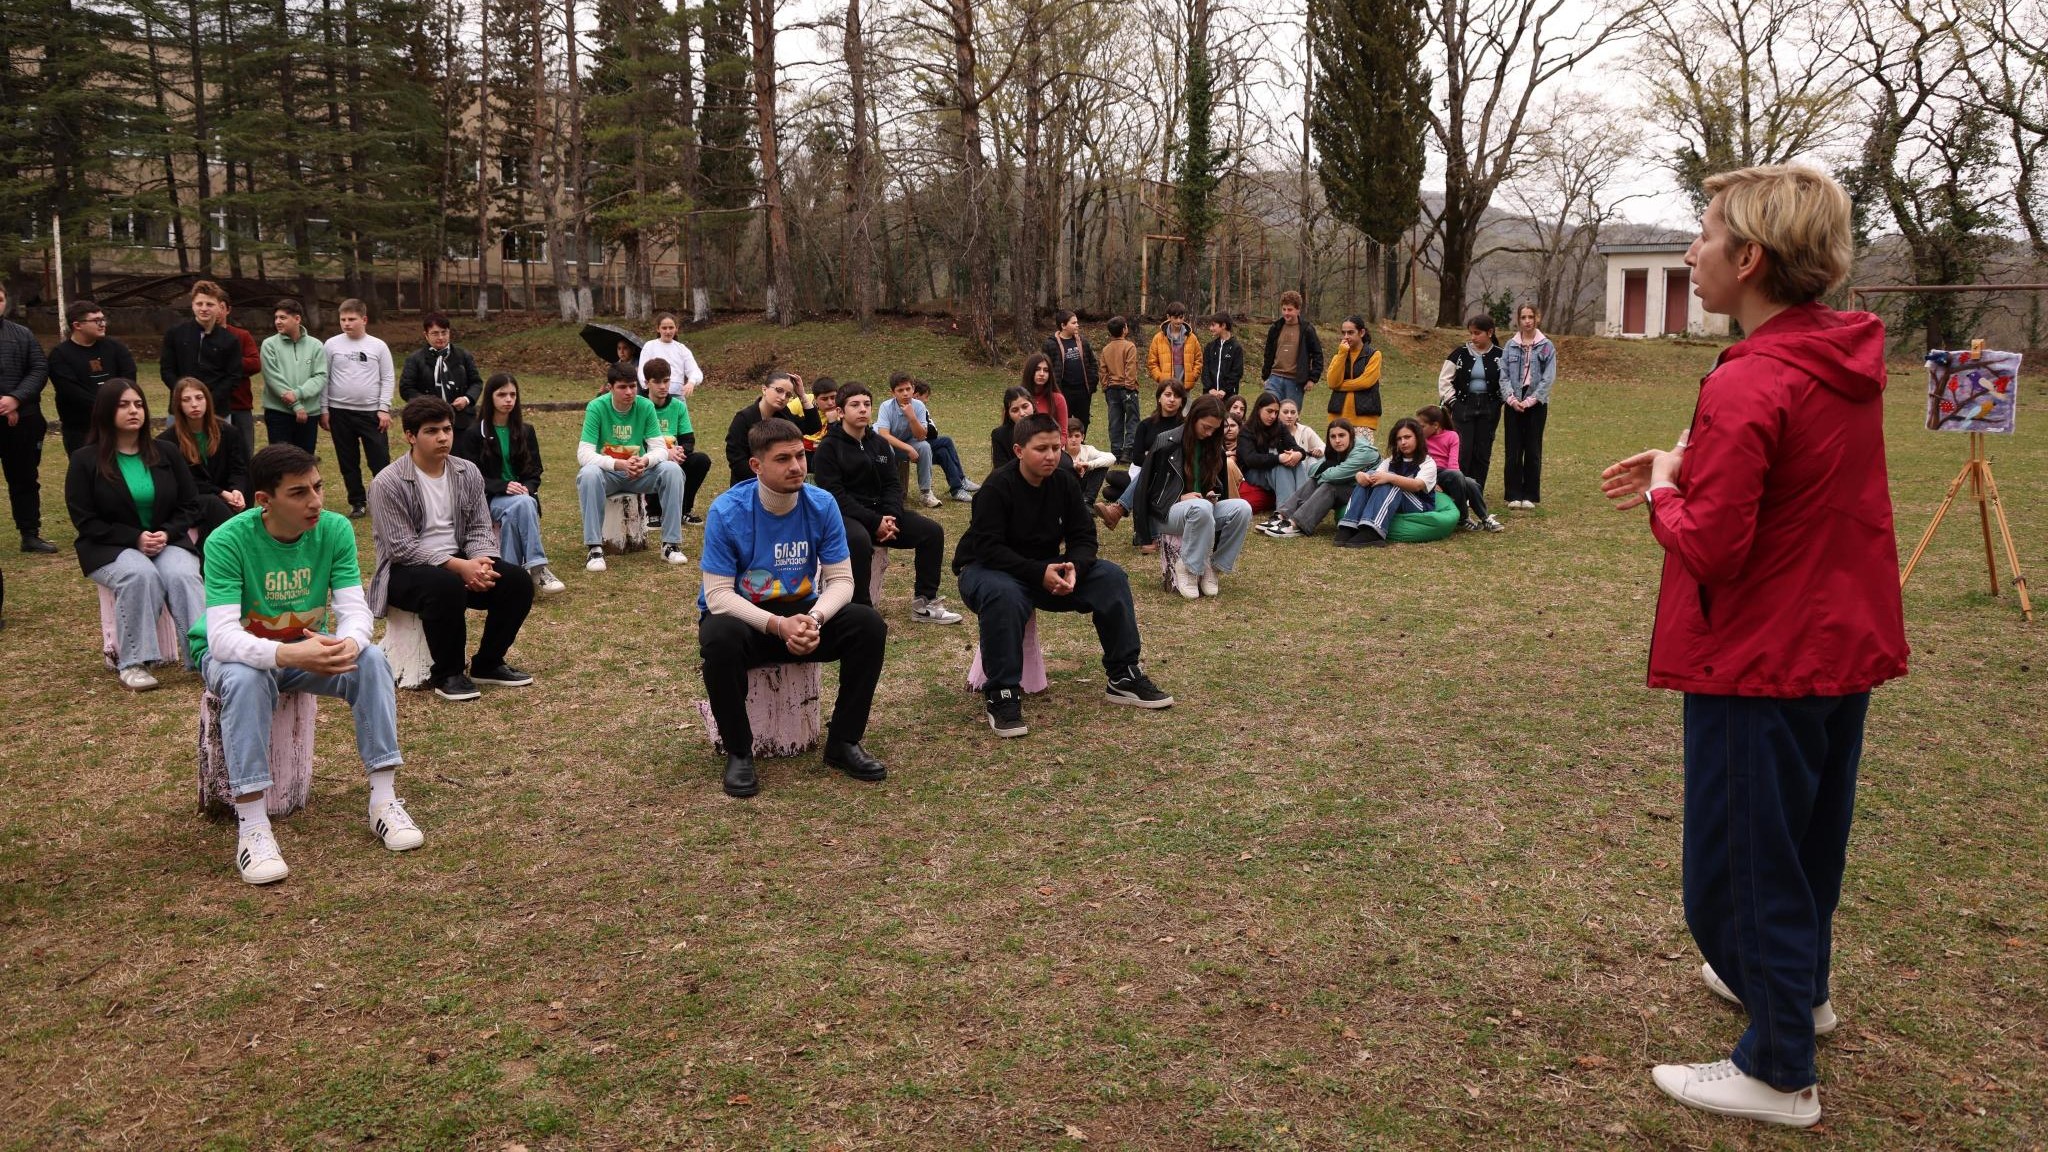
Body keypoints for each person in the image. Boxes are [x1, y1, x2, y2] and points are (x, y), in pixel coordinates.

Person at [1600, 164, 1908, 1129]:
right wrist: (1697, 458)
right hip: (1833, 644)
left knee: (1739, 868)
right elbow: (1802, 477)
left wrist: (1664, 488)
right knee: (1807, 844)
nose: (1690, 252)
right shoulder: (1841, 358)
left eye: (1702, 235)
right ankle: (1797, 995)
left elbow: (1713, 547)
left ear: (1751, 257)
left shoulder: (1754, 376)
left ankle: (1779, 1071)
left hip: (1760, 656)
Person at [194, 443, 420, 886]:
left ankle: (384, 800)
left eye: (317, 487)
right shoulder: (227, 540)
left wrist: (350, 644)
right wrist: (286, 653)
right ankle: (253, 827)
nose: (315, 501)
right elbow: (222, 637)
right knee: (244, 678)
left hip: (304, 648)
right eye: (298, 493)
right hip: (238, 656)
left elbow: (355, 610)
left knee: (371, 659)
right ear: (265, 500)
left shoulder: (334, 529)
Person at [699, 417, 890, 798]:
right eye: (783, 459)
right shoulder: (727, 511)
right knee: (719, 637)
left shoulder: (822, 503)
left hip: (802, 615)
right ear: (757, 466)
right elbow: (719, 595)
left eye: (800, 456)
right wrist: (777, 626)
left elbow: (842, 582)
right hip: (746, 619)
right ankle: (739, 752)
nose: (797, 467)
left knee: (868, 625)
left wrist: (814, 620)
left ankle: (843, 742)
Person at [955, 411, 1173, 737]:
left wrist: (1074, 567)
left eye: (1056, 448)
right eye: (1041, 448)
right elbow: (989, 549)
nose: (1051, 455)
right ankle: (1001, 694)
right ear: (1018, 451)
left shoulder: (1064, 481)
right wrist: (1037, 572)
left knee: (1110, 578)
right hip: (987, 570)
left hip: (1046, 568)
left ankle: (1123, 675)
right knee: (1006, 594)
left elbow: (1083, 537)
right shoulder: (996, 487)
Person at [369, 397, 536, 702]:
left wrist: (481, 561)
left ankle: (488, 662)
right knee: (446, 585)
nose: (443, 437)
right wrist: (459, 568)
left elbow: (478, 527)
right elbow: (401, 548)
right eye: (431, 431)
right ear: (410, 436)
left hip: (460, 561)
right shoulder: (388, 482)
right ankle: (448, 673)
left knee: (517, 581)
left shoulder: (466, 471)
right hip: (403, 572)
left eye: (447, 429)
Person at [66, 379, 206, 689]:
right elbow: (85, 519)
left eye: (139, 404)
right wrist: (135, 539)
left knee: (183, 575)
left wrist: (165, 534)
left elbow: (191, 505)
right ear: (105, 411)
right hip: (108, 545)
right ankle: (133, 663)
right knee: (140, 574)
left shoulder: (166, 452)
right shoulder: (84, 460)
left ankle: (203, 656)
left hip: (165, 539)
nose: (134, 411)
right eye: (124, 405)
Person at [813, 383, 963, 623]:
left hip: (884, 516)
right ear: (840, 412)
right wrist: (874, 522)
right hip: (848, 518)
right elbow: (835, 497)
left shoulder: (880, 444)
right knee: (859, 541)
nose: (862, 410)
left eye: (866, 404)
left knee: (931, 532)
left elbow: (893, 485)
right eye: (855, 405)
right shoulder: (828, 449)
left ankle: (924, 603)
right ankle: (861, 610)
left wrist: (891, 516)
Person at [1133, 392, 1253, 599]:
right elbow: (1145, 489)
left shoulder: (1215, 446)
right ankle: (1188, 567)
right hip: (1166, 514)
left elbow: (1219, 488)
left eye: (1214, 429)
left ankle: (1213, 567)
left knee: (1243, 508)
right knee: (1201, 508)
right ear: (1193, 418)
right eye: (1206, 427)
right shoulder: (1165, 441)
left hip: (1201, 511)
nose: (1209, 433)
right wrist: (1178, 498)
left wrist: (1211, 492)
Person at [455, 372, 564, 595]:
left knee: (521, 505)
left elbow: (535, 471)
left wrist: (527, 489)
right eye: (502, 394)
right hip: (489, 500)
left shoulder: (525, 430)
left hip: (521, 498)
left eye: (513, 394)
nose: (508, 400)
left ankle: (513, 576)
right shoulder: (474, 434)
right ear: (490, 398)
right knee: (523, 505)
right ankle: (538, 568)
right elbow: (470, 478)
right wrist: (502, 486)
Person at [577, 361, 690, 572]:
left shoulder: (645, 406)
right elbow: (584, 454)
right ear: (610, 387)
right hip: (609, 474)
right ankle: (594, 548)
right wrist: (617, 464)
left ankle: (670, 545)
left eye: (632, 386)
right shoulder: (597, 407)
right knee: (588, 474)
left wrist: (644, 461)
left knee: (672, 470)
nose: (629, 392)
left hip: (639, 473)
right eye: (622, 387)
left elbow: (659, 448)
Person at [321, 298, 395, 519]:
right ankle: (357, 501)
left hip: (371, 412)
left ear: (364, 319)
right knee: (348, 460)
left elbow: (388, 377)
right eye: (343, 319)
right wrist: (324, 408)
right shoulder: (331, 345)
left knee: (379, 459)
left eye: (351, 319)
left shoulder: (378, 346)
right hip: (339, 412)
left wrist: (384, 408)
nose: (346, 323)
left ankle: (384, 500)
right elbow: (324, 378)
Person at [159, 377, 250, 541]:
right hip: (193, 501)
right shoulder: (167, 441)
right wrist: (221, 493)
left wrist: (236, 490)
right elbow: (185, 482)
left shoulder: (228, 432)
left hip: (228, 496)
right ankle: (242, 542)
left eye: (199, 398)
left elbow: (239, 468)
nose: (194, 404)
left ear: (207, 400)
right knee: (211, 503)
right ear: (178, 405)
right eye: (186, 400)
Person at [0, 283, 55, 553]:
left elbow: (38, 368)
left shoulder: (22, 334)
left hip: (23, 420)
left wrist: (15, 399)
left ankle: (30, 533)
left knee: (24, 478)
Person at [1256, 419, 1379, 538]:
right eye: (1333, 436)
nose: (1337, 440)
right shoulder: (1337, 449)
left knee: (1329, 486)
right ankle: (1281, 516)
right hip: (1349, 486)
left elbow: (1333, 475)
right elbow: (1312, 470)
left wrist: (1324, 472)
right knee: (1316, 481)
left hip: (1365, 492)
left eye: (1342, 435)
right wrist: (1325, 470)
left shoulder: (1363, 452)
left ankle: (1297, 524)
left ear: (1351, 435)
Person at [47, 299, 138, 456]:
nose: (102, 324)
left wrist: (118, 405)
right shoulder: (60, 355)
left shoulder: (115, 348)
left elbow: (129, 377)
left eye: (103, 319)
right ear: (77, 325)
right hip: (81, 428)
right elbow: (70, 391)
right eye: (96, 320)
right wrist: (106, 406)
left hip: (117, 424)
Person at [1333, 417, 1436, 548]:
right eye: (1399, 439)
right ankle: (1349, 525)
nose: (1403, 442)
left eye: (1407, 437)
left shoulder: (1427, 462)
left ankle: (1373, 532)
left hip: (1419, 504)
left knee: (1390, 478)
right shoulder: (1391, 461)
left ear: (1418, 438)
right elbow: (1375, 477)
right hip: (1394, 499)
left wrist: (1390, 478)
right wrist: (1360, 475)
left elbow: (1417, 486)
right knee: (1371, 476)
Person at [875, 372, 975, 506]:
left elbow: (921, 436)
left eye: (908, 389)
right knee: (888, 450)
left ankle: (925, 493)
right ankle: (888, 492)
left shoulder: (919, 406)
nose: (905, 393)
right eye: (900, 390)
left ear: (913, 389)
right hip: (885, 444)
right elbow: (884, 435)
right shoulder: (886, 407)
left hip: (906, 441)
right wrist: (908, 448)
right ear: (893, 393)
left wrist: (912, 417)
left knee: (924, 447)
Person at [1437, 313, 1505, 503]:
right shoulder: (1459, 354)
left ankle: (1477, 491)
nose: (1473, 337)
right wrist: (1454, 403)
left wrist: (1498, 401)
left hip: (1489, 407)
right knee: (1462, 450)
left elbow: (1508, 381)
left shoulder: (1501, 355)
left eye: (1477, 333)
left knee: (1483, 451)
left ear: (1489, 332)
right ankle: (1460, 491)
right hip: (1463, 406)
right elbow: (1444, 380)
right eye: (1471, 333)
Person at [158, 280, 244, 431]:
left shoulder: (230, 340)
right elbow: (167, 370)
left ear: (219, 307)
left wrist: (208, 399)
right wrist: (184, 394)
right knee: (176, 452)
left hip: (218, 411)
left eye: (209, 304)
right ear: (192, 305)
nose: (204, 309)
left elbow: (233, 376)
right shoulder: (175, 334)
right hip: (180, 409)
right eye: (199, 304)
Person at [641, 357, 713, 526]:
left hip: (675, 455)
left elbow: (688, 440)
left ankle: (683, 510)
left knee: (701, 460)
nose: (663, 386)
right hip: (647, 457)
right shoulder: (639, 405)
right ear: (646, 383)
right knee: (656, 463)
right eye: (657, 382)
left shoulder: (678, 406)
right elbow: (637, 442)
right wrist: (665, 454)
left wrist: (679, 452)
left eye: (666, 381)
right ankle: (653, 512)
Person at [1113, 380, 1189, 538]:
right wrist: (1156, 457)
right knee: (1150, 472)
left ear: (1182, 401)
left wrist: (1153, 454)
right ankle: (1147, 533)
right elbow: (1137, 457)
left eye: (1176, 396)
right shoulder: (1145, 425)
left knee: (1151, 471)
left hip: (1175, 476)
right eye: (1167, 395)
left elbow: (1185, 456)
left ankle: (1120, 509)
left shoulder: (1185, 426)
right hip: (1146, 472)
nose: (1171, 399)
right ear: (1159, 398)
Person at [725, 371, 822, 489]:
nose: (782, 398)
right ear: (764, 389)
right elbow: (736, 459)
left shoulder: (784, 414)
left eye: (788, 395)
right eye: (779, 390)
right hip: (749, 484)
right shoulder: (744, 418)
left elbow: (813, 426)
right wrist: (766, 481)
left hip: (781, 481)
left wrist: (802, 396)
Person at [1501, 303, 1555, 509]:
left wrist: (1531, 400)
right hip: (1514, 401)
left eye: (1530, 317)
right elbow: (1503, 374)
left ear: (1537, 318)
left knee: (1532, 449)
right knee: (1513, 448)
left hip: (1536, 403)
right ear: (1518, 319)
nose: (1527, 321)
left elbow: (1548, 378)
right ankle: (1513, 493)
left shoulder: (1547, 346)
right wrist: (1512, 399)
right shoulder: (1510, 345)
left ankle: (1530, 494)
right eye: (1523, 317)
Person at [1417, 404, 1503, 532]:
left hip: (1447, 473)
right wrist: (1432, 482)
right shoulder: (1420, 439)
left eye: (1422, 426)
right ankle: (1463, 518)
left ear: (1435, 425)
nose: (1418, 429)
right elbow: (1417, 462)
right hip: (1428, 474)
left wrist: (1458, 478)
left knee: (1471, 483)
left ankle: (1485, 519)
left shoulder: (1452, 436)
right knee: (1460, 477)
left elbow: (1453, 463)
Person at [398, 313, 485, 431]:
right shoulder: (415, 359)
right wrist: (428, 404)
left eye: (444, 332)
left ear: (449, 332)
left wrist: (466, 399)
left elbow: (476, 382)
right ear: (426, 335)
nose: (440, 337)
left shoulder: (463, 355)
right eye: (435, 333)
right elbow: (406, 389)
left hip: (463, 420)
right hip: (427, 419)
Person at [260, 297, 325, 453]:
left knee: (305, 460)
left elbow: (320, 376)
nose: (277, 322)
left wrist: (298, 394)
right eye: (276, 317)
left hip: (309, 414)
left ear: (297, 319)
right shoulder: (269, 345)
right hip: (278, 413)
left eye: (282, 317)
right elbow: (272, 378)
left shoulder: (316, 345)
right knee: (280, 461)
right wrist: (296, 406)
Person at [1235, 391, 1309, 511]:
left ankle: (1305, 506)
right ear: (1259, 409)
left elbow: (1295, 447)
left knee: (1297, 463)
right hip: (1253, 472)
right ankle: (1285, 512)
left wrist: (1298, 454)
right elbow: (1251, 459)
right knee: (1280, 467)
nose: (1273, 416)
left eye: (1276, 412)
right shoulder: (1246, 431)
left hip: (1274, 467)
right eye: (1269, 411)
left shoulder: (1280, 427)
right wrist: (1278, 458)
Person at [909, 378, 979, 499]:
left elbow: (932, 430)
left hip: (923, 444)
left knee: (943, 452)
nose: (927, 400)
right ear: (916, 396)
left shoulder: (922, 409)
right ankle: (961, 480)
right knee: (946, 441)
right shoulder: (910, 409)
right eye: (925, 396)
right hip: (914, 446)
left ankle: (956, 490)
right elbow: (931, 432)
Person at [1259, 290, 1324, 409]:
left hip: (1295, 381)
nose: (1286, 313)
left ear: (1298, 309)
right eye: (1284, 309)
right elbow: (1268, 354)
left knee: (1289, 419)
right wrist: (1266, 376)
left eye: (1290, 310)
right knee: (1269, 413)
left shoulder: (1307, 330)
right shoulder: (1275, 328)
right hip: (1274, 378)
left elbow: (1317, 355)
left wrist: (1312, 379)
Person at [220, 291, 264, 457]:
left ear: (227, 310)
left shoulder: (241, 336)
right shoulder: (198, 337)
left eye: (220, 307)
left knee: (245, 451)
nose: (216, 311)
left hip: (240, 404)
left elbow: (254, 364)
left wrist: (227, 362)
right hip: (211, 406)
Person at [1322, 314, 1382, 434]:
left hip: (1364, 419)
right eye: (1343, 333)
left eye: (1350, 332)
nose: (1346, 337)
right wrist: (1343, 353)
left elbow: (1365, 382)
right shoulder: (1339, 355)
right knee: (1338, 453)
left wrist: (1340, 386)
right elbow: (1332, 382)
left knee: (1361, 453)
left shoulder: (1374, 355)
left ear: (1361, 332)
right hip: (1337, 418)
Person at [1042, 309, 1099, 432]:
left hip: (1083, 391)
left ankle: (1080, 444)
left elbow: (1092, 362)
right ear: (1063, 325)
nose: (1077, 325)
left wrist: (1092, 381)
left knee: (1083, 421)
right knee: (1063, 421)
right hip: (1063, 391)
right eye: (1073, 323)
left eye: (1077, 322)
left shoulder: (1082, 341)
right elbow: (1045, 366)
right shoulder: (1050, 344)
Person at [1100, 316, 1142, 462]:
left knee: (1115, 420)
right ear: (1124, 329)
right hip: (1127, 389)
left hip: (1111, 389)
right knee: (1132, 420)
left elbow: (1103, 371)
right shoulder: (1129, 346)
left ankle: (1116, 452)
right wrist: (1130, 386)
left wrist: (1105, 387)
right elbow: (1130, 367)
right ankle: (1128, 451)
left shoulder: (1106, 349)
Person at [1065, 418, 1128, 512]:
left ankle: (1087, 501)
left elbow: (1111, 458)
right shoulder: (1059, 451)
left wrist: (1089, 464)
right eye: (1069, 436)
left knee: (1101, 465)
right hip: (1065, 487)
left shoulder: (1087, 450)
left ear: (1082, 437)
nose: (1073, 440)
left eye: (1077, 436)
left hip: (1082, 485)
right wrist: (1074, 466)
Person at [637, 312, 704, 398]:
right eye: (664, 328)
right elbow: (642, 371)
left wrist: (691, 382)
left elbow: (694, 370)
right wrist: (648, 387)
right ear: (658, 329)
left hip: (677, 397)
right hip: (654, 397)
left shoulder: (682, 349)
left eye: (671, 328)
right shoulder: (649, 346)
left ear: (676, 329)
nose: (668, 331)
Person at [1147, 301, 1202, 391]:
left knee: (1186, 405)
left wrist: (1193, 375)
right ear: (1169, 317)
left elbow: (1198, 360)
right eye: (1175, 318)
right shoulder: (1158, 338)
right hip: (1166, 387)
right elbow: (1152, 362)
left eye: (1181, 317)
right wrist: (1161, 378)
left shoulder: (1192, 338)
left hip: (1185, 387)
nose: (1179, 321)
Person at [990, 387, 1038, 474]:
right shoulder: (1000, 435)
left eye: (1025, 407)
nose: (1022, 413)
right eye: (1015, 410)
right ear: (1008, 414)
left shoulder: (1046, 428)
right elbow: (1000, 469)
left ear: (1033, 405)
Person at [1020, 353, 1070, 432]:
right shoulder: (1019, 397)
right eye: (1037, 369)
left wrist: (1055, 444)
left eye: (1046, 370)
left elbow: (1063, 432)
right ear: (1029, 371)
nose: (1042, 374)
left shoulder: (1058, 399)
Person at [1199, 312, 1245, 398]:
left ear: (1223, 326)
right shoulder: (1210, 347)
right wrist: (1210, 388)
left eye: (1213, 325)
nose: (1210, 328)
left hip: (1228, 396)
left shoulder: (1236, 348)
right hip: (1209, 396)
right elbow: (1205, 369)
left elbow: (1237, 372)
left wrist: (1224, 390)